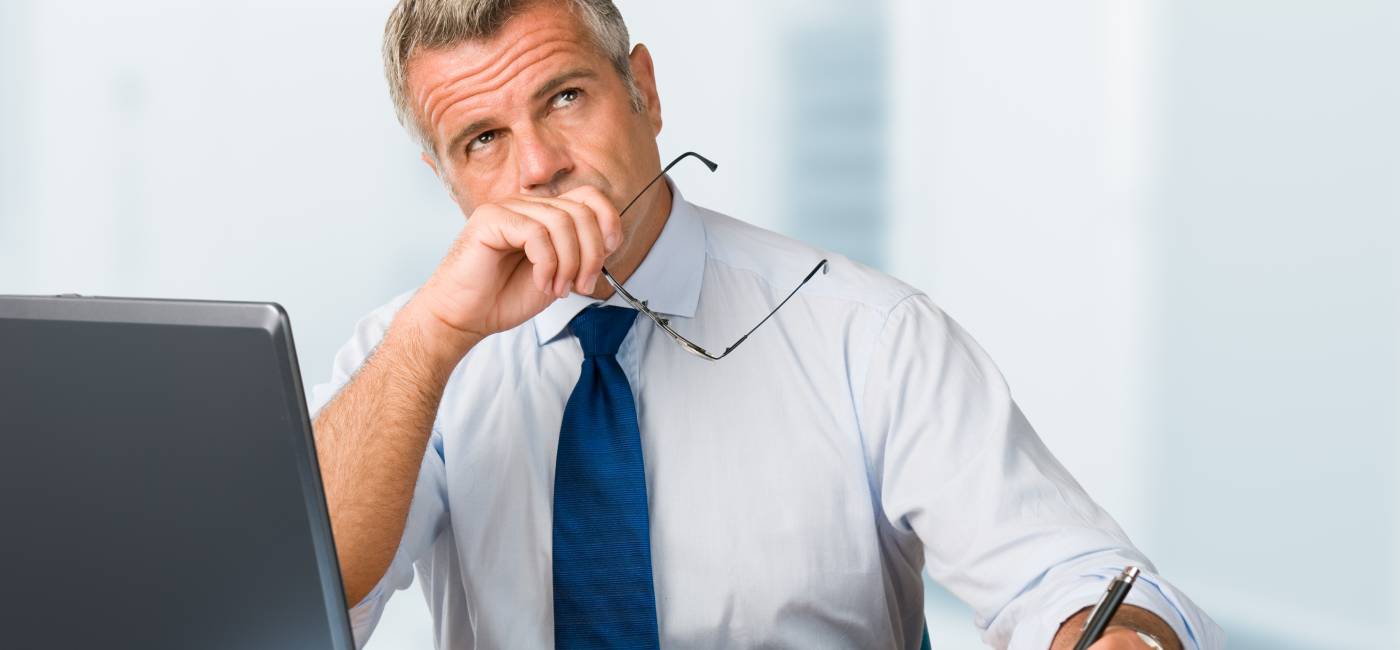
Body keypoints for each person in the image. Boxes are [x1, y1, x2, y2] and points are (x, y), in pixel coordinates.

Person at [309, 1, 1224, 648]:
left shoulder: (869, 332)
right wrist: (432, 339)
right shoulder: (407, 354)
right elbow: (309, 604)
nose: (541, 166)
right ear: (447, 177)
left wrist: (1115, 639)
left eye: (564, 97)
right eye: (484, 139)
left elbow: (1074, 582)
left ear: (644, 91)